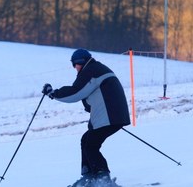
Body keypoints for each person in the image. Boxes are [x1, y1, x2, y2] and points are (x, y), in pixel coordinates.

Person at [42, 48, 130, 187]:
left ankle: (102, 177)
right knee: (87, 140)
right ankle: (89, 175)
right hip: (112, 115)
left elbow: (76, 92)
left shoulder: (91, 71)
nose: (75, 68)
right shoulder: (96, 69)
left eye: (75, 64)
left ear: (81, 62)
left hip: (110, 116)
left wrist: (54, 93)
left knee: (91, 145)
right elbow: (93, 95)